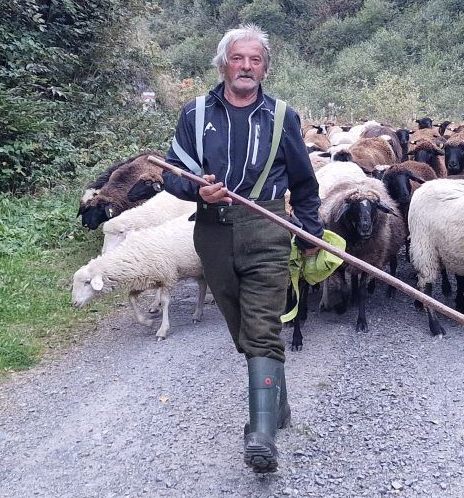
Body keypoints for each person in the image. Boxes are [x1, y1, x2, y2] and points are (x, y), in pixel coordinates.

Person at [160, 24, 324, 473]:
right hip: (212, 233)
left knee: (262, 326)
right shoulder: (194, 114)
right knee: (242, 330)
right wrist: (197, 191)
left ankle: (262, 434)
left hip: (268, 228)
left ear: (265, 68)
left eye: (255, 60)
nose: (246, 66)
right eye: (238, 58)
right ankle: (278, 407)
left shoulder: (282, 116)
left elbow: (304, 182)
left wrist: (310, 232)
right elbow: (172, 172)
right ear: (223, 64)